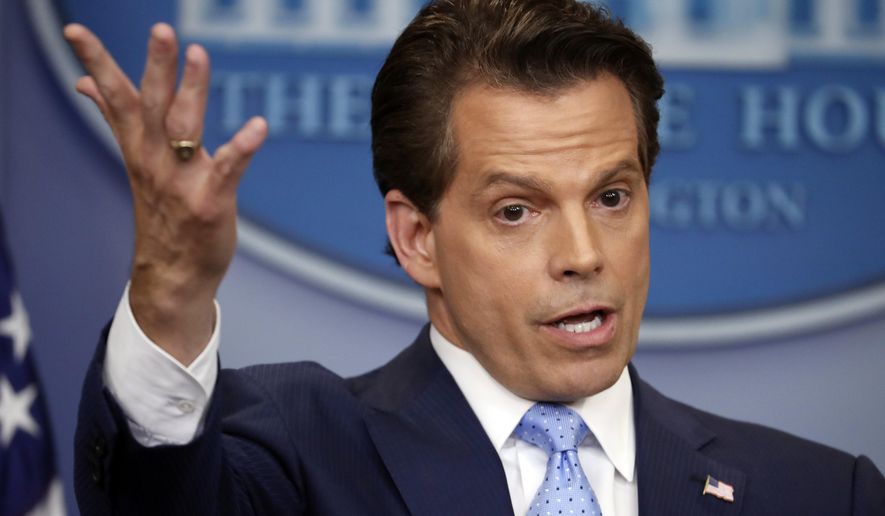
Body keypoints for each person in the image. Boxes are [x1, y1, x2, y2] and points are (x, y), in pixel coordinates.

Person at [65, 1, 884, 515]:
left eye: (611, 196)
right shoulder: (296, 454)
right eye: (516, 211)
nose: (583, 255)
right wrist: (169, 293)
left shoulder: (821, 492)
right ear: (417, 238)